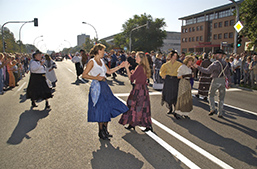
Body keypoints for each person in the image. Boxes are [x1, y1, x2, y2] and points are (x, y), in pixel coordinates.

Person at [82, 44, 128, 140]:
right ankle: (101, 131)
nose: (104, 52)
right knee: (101, 109)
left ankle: (105, 130)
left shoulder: (102, 61)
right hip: (97, 87)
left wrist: (120, 66)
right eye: (103, 50)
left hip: (105, 87)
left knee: (107, 108)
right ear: (99, 51)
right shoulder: (92, 62)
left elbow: (109, 72)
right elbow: (84, 75)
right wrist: (96, 77)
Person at [119, 51, 153, 132]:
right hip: (143, 88)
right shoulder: (143, 66)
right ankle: (138, 124)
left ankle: (133, 123)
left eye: (137, 57)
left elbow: (131, 78)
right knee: (142, 107)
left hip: (138, 89)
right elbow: (140, 76)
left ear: (141, 59)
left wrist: (127, 68)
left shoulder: (140, 67)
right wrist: (133, 72)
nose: (135, 58)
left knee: (133, 106)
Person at [194, 49, 230, 118]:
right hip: (223, 80)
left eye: (215, 54)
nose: (214, 56)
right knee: (221, 98)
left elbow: (207, 71)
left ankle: (212, 108)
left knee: (211, 95)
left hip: (216, 80)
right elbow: (228, 74)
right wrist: (229, 84)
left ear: (218, 55)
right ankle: (220, 112)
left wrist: (198, 67)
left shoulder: (215, 63)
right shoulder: (226, 63)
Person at [160, 50, 182, 118]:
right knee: (168, 94)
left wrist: (180, 75)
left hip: (175, 80)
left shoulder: (179, 64)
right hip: (168, 80)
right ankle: (170, 108)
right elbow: (161, 71)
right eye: (174, 56)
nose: (175, 57)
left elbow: (182, 71)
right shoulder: (166, 64)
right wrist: (163, 75)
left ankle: (175, 111)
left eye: (176, 56)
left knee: (175, 95)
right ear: (171, 56)